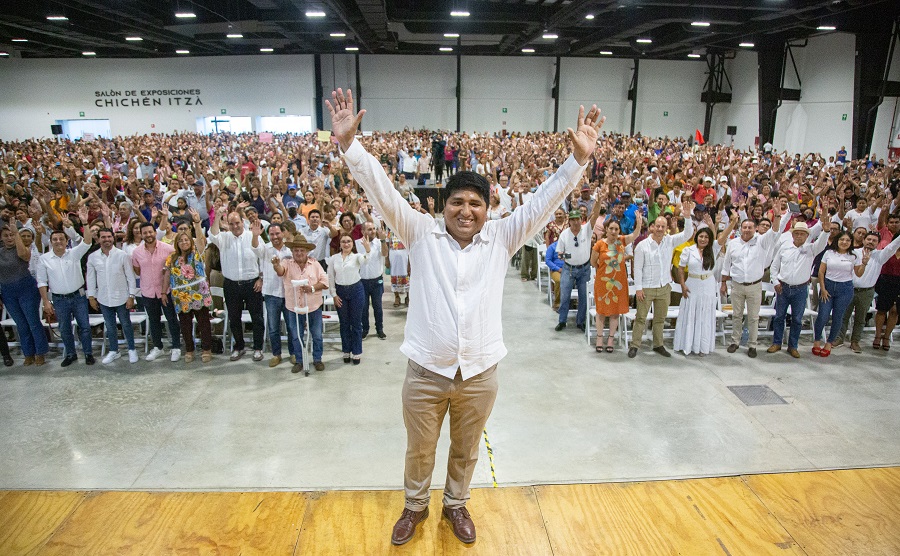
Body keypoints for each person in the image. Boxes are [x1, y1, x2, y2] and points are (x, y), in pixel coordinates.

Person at [327, 88, 603, 546]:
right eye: (457, 202)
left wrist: (576, 161)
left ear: (487, 208)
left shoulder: (502, 237)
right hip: (426, 371)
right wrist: (350, 147)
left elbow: (542, 203)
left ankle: (456, 504)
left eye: (476, 203)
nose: (466, 211)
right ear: (441, 205)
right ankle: (415, 505)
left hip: (479, 371)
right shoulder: (418, 231)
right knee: (419, 449)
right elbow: (380, 189)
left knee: (466, 449)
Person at [628, 201, 695, 358]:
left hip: (664, 287)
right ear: (652, 227)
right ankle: (635, 345)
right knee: (640, 318)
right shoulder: (642, 246)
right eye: (657, 226)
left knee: (660, 319)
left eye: (662, 227)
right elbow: (637, 268)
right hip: (646, 288)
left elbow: (687, 234)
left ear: (666, 228)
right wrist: (638, 288)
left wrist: (687, 217)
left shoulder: (670, 241)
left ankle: (658, 344)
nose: (659, 229)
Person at [720, 204, 784, 357]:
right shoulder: (733, 244)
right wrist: (723, 282)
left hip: (755, 286)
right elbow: (726, 264)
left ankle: (752, 345)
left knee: (754, 317)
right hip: (736, 285)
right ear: (740, 228)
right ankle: (735, 341)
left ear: (755, 229)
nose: (747, 230)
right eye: (744, 227)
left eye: (750, 227)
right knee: (736, 315)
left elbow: (774, 231)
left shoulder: (762, 241)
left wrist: (777, 216)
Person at [37, 209, 96, 367]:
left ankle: (88, 353)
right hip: (59, 299)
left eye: (61, 239)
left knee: (84, 327)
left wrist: (84, 222)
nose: (58, 241)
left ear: (66, 240)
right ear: (51, 242)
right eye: (54, 239)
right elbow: (41, 281)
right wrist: (46, 302)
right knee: (64, 329)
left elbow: (88, 242)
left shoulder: (74, 253)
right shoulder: (44, 259)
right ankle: (71, 354)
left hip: (78, 297)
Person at [768, 217, 832, 358]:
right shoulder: (784, 248)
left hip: (800, 289)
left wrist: (826, 231)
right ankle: (777, 342)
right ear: (792, 235)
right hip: (783, 288)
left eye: (802, 233)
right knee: (779, 317)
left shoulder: (811, 249)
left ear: (807, 236)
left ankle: (793, 346)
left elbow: (821, 243)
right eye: (796, 233)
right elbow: (774, 266)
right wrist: (775, 282)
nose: (799, 236)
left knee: (797, 319)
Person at [672, 214, 735, 356]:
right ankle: (687, 345)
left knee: (705, 316)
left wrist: (732, 223)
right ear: (697, 237)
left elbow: (723, 237)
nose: (703, 239)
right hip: (691, 285)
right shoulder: (688, 250)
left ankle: (702, 346)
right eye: (701, 236)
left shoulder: (713, 249)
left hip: (708, 286)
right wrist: (682, 285)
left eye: (706, 237)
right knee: (690, 315)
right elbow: (680, 269)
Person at [209, 207, 265, 362]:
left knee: (257, 318)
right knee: (234, 318)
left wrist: (261, 278)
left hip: (252, 283)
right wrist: (217, 217)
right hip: (231, 284)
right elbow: (212, 235)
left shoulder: (252, 236)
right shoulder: (224, 237)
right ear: (228, 224)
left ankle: (258, 348)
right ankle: (239, 347)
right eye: (231, 223)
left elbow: (262, 257)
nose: (235, 226)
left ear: (243, 222)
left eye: (237, 223)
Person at [273, 235, 328, 374]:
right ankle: (299, 360)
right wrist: (275, 265)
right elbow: (280, 272)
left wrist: (313, 288)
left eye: (302, 250)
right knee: (296, 335)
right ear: (292, 252)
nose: (299, 253)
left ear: (307, 252)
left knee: (316, 335)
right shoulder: (287, 263)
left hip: (313, 306)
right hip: (294, 307)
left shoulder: (315, 264)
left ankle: (317, 359)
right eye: (296, 250)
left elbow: (325, 281)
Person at [837, 230, 900, 352]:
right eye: (869, 239)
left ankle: (855, 341)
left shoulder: (880, 256)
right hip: (849, 289)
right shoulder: (854, 253)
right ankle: (839, 338)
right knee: (843, 316)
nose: (871, 242)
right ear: (864, 240)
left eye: (874, 240)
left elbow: (893, 246)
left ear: (878, 243)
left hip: (867, 292)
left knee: (860, 319)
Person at [590, 213, 642, 352]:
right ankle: (600, 337)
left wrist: (639, 223)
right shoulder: (599, 244)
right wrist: (602, 271)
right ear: (606, 229)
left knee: (615, 312)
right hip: (603, 281)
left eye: (616, 229)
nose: (613, 231)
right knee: (601, 311)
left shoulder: (622, 241)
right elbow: (593, 261)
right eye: (611, 228)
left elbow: (635, 235)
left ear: (619, 231)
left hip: (619, 282)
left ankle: (611, 338)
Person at [87, 228, 139, 364]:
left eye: (109, 236)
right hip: (104, 298)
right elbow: (91, 278)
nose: (107, 239)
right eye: (103, 237)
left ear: (113, 238)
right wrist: (91, 296)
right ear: (98, 239)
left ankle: (132, 349)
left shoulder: (122, 255)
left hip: (122, 297)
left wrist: (131, 295)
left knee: (126, 324)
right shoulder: (92, 257)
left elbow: (130, 277)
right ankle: (114, 351)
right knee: (109, 326)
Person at [132, 222, 183, 362]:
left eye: (150, 232)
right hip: (148, 292)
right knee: (154, 321)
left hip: (166, 291)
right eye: (145, 233)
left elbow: (175, 269)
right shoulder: (136, 252)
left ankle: (176, 347)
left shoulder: (168, 249)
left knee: (172, 319)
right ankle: (158, 347)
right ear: (141, 235)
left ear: (155, 232)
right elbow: (137, 270)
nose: (148, 235)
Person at [0, 221, 48, 366]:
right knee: (21, 324)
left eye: (11, 235)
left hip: (26, 288)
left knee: (33, 322)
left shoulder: (22, 247)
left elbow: (24, 256)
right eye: (6, 236)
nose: (9, 238)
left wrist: (16, 234)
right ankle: (28, 353)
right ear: (1, 238)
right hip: (7, 291)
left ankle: (40, 352)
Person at [813, 231, 866, 357]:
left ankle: (829, 343)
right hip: (828, 286)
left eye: (848, 240)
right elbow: (821, 272)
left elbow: (859, 274)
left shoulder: (853, 256)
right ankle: (816, 341)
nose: (844, 242)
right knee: (822, 316)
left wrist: (864, 263)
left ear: (851, 242)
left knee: (838, 317)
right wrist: (823, 289)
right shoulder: (829, 253)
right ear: (837, 240)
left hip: (845, 289)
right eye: (842, 239)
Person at [165, 224, 213, 363]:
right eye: (181, 240)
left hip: (199, 292)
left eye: (186, 240)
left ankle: (206, 349)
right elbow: (167, 275)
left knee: (203, 322)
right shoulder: (172, 258)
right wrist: (163, 292)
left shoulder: (197, 252)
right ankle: (189, 349)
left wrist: (197, 224)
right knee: (185, 324)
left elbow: (201, 239)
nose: (184, 242)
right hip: (181, 296)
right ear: (177, 243)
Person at [253, 222, 294, 367]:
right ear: (268, 235)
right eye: (272, 234)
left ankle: (293, 353)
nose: (275, 237)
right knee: (273, 327)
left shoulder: (290, 249)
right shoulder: (265, 248)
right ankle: (276, 354)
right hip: (271, 293)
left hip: (288, 293)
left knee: (291, 326)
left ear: (283, 233)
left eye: (277, 233)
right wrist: (255, 235)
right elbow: (255, 248)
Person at [327, 232, 373, 364]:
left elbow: (366, 261)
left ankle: (357, 352)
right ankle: (346, 350)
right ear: (340, 244)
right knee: (344, 323)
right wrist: (334, 294)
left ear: (352, 244)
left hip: (356, 291)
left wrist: (367, 249)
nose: (346, 244)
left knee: (356, 323)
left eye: (348, 241)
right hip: (340, 291)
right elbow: (330, 277)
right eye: (343, 242)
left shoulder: (357, 257)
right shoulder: (334, 258)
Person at [555, 211, 592, 332]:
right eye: (573, 219)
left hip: (584, 269)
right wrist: (565, 255)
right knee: (565, 295)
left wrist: (599, 201)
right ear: (569, 221)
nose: (576, 222)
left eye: (578, 219)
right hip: (568, 268)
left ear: (581, 219)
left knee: (583, 296)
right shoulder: (564, 235)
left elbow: (595, 214)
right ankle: (562, 321)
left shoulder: (586, 230)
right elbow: (559, 254)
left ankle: (580, 321)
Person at [356, 221, 388, 340]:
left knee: (378, 306)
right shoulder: (357, 244)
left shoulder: (380, 243)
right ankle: (365, 329)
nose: (373, 231)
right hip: (362, 281)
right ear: (363, 231)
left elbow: (385, 254)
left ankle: (379, 329)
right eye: (369, 229)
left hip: (376, 280)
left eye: (374, 229)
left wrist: (384, 240)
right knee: (363, 307)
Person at [387, 228, 410, 307]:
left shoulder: (407, 231)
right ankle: (397, 297)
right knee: (394, 276)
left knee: (408, 277)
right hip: (394, 258)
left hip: (405, 257)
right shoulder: (390, 232)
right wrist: (387, 259)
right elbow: (387, 245)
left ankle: (408, 297)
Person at [545, 240, 564, 310]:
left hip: (568, 269)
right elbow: (548, 261)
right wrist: (558, 269)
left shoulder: (569, 246)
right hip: (556, 270)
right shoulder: (552, 247)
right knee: (559, 280)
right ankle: (557, 303)